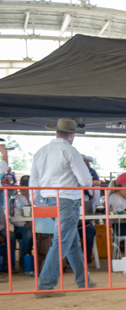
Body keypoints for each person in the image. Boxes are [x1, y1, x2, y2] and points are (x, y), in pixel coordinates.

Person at [30, 118, 95, 296]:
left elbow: (34, 181)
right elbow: (85, 181)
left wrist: (36, 202)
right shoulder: (70, 151)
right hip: (67, 201)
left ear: (56, 132)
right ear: (72, 135)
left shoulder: (40, 152)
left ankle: (84, 281)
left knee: (71, 242)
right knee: (62, 242)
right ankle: (45, 285)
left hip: (48, 201)